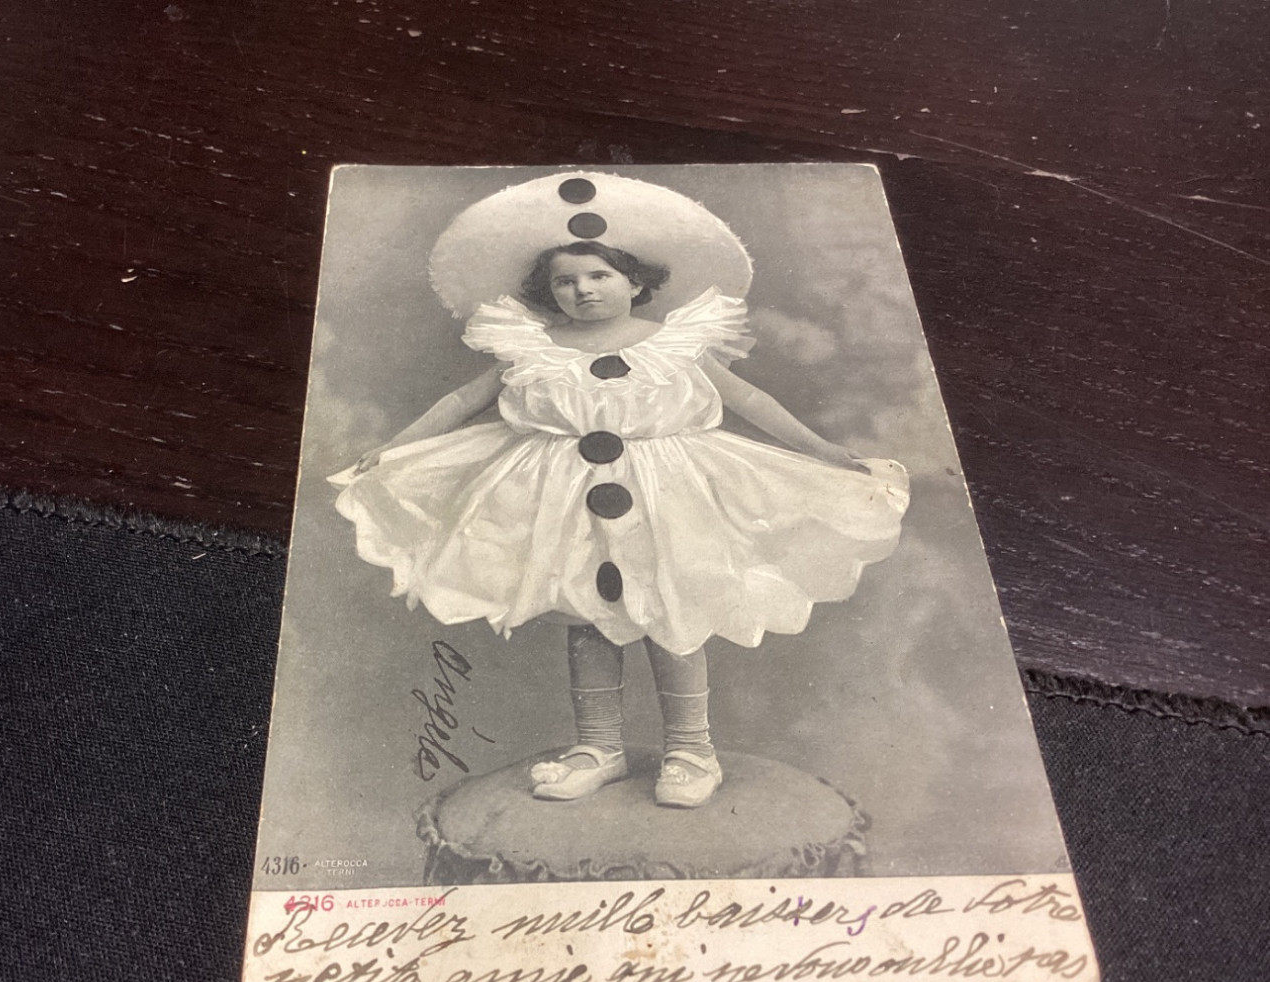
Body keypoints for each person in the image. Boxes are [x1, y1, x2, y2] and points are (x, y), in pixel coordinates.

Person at [330, 173, 908, 809]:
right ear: (546, 293)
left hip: (668, 493)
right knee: (588, 615)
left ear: (635, 281)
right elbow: (464, 400)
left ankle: (691, 750)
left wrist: (823, 452)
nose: (582, 290)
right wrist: (393, 449)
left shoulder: (675, 343)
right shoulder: (531, 346)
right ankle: (598, 747)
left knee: (672, 614)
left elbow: (748, 399)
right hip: (558, 496)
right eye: (565, 282)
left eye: (599, 276)